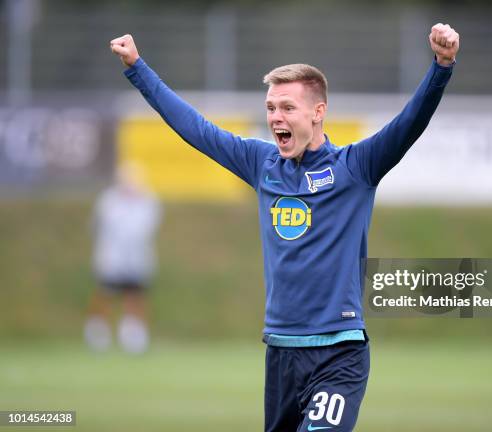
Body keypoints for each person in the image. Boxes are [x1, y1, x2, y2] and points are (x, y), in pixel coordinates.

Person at [110, 23, 458, 431]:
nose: (276, 117)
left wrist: (441, 65)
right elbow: (196, 129)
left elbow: (409, 123)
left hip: (339, 351)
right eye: (271, 107)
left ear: (318, 112)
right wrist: (137, 68)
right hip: (280, 353)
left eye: (287, 108)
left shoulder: (356, 167)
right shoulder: (262, 164)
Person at [84, 162, 161, 354]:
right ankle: (97, 333)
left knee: (135, 295)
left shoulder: (148, 202)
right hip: (111, 257)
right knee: (105, 293)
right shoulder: (108, 201)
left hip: (137, 258)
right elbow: (97, 227)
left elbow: (145, 229)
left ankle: (134, 337)